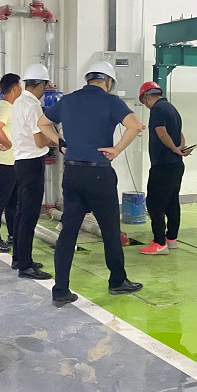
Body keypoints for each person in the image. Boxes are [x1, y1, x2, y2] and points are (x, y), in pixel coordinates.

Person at [38, 61, 145, 306]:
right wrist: (116, 149)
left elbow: (42, 123)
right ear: (109, 81)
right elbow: (134, 126)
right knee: (110, 231)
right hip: (99, 175)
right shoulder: (112, 102)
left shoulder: (68, 100)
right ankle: (117, 281)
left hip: (72, 174)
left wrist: (61, 142)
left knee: (68, 232)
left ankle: (60, 289)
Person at [137, 81, 192, 256]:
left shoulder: (157, 109)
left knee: (155, 204)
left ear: (146, 97)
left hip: (163, 165)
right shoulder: (171, 108)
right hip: (176, 164)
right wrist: (180, 148)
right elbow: (179, 132)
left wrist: (174, 149)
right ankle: (171, 239)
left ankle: (159, 243)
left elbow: (161, 132)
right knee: (172, 202)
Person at [11, 63, 54, 280]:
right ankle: (25, 265)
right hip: (32, 162)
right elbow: (39, 141)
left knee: (21, 212)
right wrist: (53, 140)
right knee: (29, 215)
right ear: (41, 85)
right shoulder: (34, 105)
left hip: (20, 161)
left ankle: (18, 258)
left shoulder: (19, 102)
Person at [0, 73, 21, 253]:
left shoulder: (11, 106)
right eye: (20, 86)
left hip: (12, 161)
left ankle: (12, 235)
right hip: (5, 162)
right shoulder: (4, 106)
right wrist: (8, 144)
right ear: (15, 88)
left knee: (12, 202)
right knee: (1, 201)